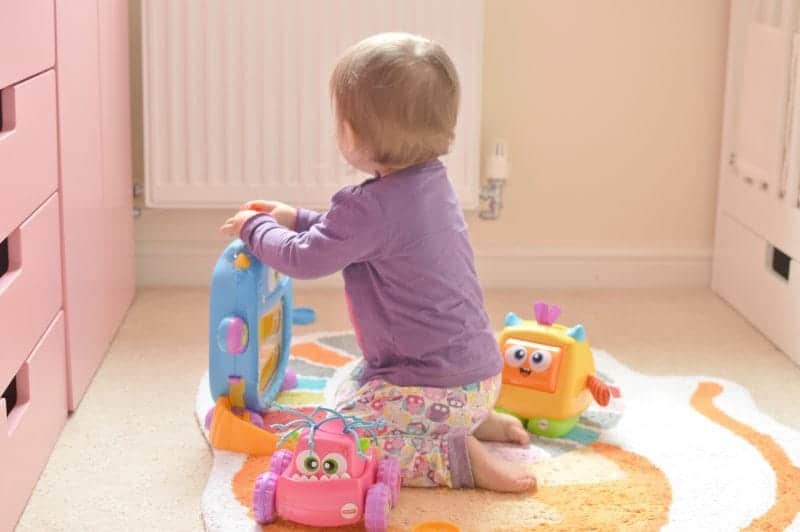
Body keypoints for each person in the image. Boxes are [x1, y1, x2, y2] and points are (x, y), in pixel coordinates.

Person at [221, 33, 536, 492]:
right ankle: (472, 422)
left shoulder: (367, 208)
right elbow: (354, 236)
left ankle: (456, 457)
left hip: (434, 386)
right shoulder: (433, 185)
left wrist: (255, 227)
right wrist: (295, 216)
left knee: (343, 431)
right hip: (478, 377)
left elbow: (305, 257)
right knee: (352, 380)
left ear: (349, 133)